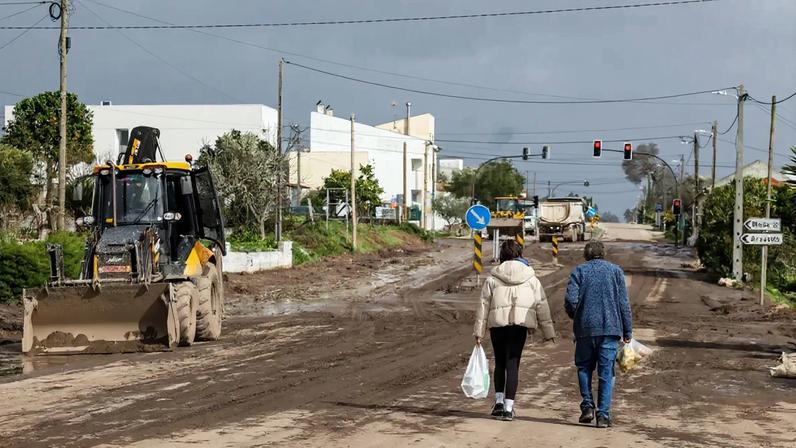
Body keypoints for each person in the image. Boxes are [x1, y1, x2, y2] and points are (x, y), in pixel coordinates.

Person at [474, 240, 556, 421]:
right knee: (513, 364)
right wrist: (548, 332)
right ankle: (509, 409)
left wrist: (479, 332)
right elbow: (541, 304)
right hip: (519, 327)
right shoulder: (531, 278)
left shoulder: (492, 278)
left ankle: (498, 403)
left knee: (500, 363)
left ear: (502, 255)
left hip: (498, 327)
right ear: (520, 255)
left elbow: (483, 305)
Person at [564, 241, 632, 428]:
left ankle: (587, 407)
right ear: (603, 253)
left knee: (584, 368)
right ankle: (603, 415)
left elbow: (570, 300)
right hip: (610, 330)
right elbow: (623, 303)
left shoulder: (579, 271)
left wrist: (577, 315)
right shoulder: (615, 271)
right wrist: (627, 330)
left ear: (586, 255)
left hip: (585, 329)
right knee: (606, 373)